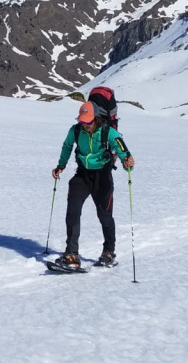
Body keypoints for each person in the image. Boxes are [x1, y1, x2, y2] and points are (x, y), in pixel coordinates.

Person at [51, 101, 135, 269]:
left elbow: (124, 153)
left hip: (102, 177)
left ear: (96, 118)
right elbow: (67, 146)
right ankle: (72, 254)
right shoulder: (75, 130)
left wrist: (128, 163)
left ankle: (108, 252)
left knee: (104, 216)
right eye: (82, 121)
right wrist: (61, 165)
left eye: (88, 121)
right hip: (82, 175)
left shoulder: (108, 133)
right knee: (72, 212)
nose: (85, 125)